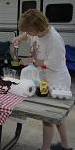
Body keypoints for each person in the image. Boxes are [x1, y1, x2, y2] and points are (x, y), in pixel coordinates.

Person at [12, 9, 73, 150]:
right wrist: (21, 37)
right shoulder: (38, 33)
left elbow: (54, 64)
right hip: (45, 78)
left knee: (48, 116)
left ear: (37, 27)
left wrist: (31, 60)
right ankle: (65, 146)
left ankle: (45, 148)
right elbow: (29, 35)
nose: (29, 33)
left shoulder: (54, 39)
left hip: (57, 82)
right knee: (56, 116)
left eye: (29, 30)